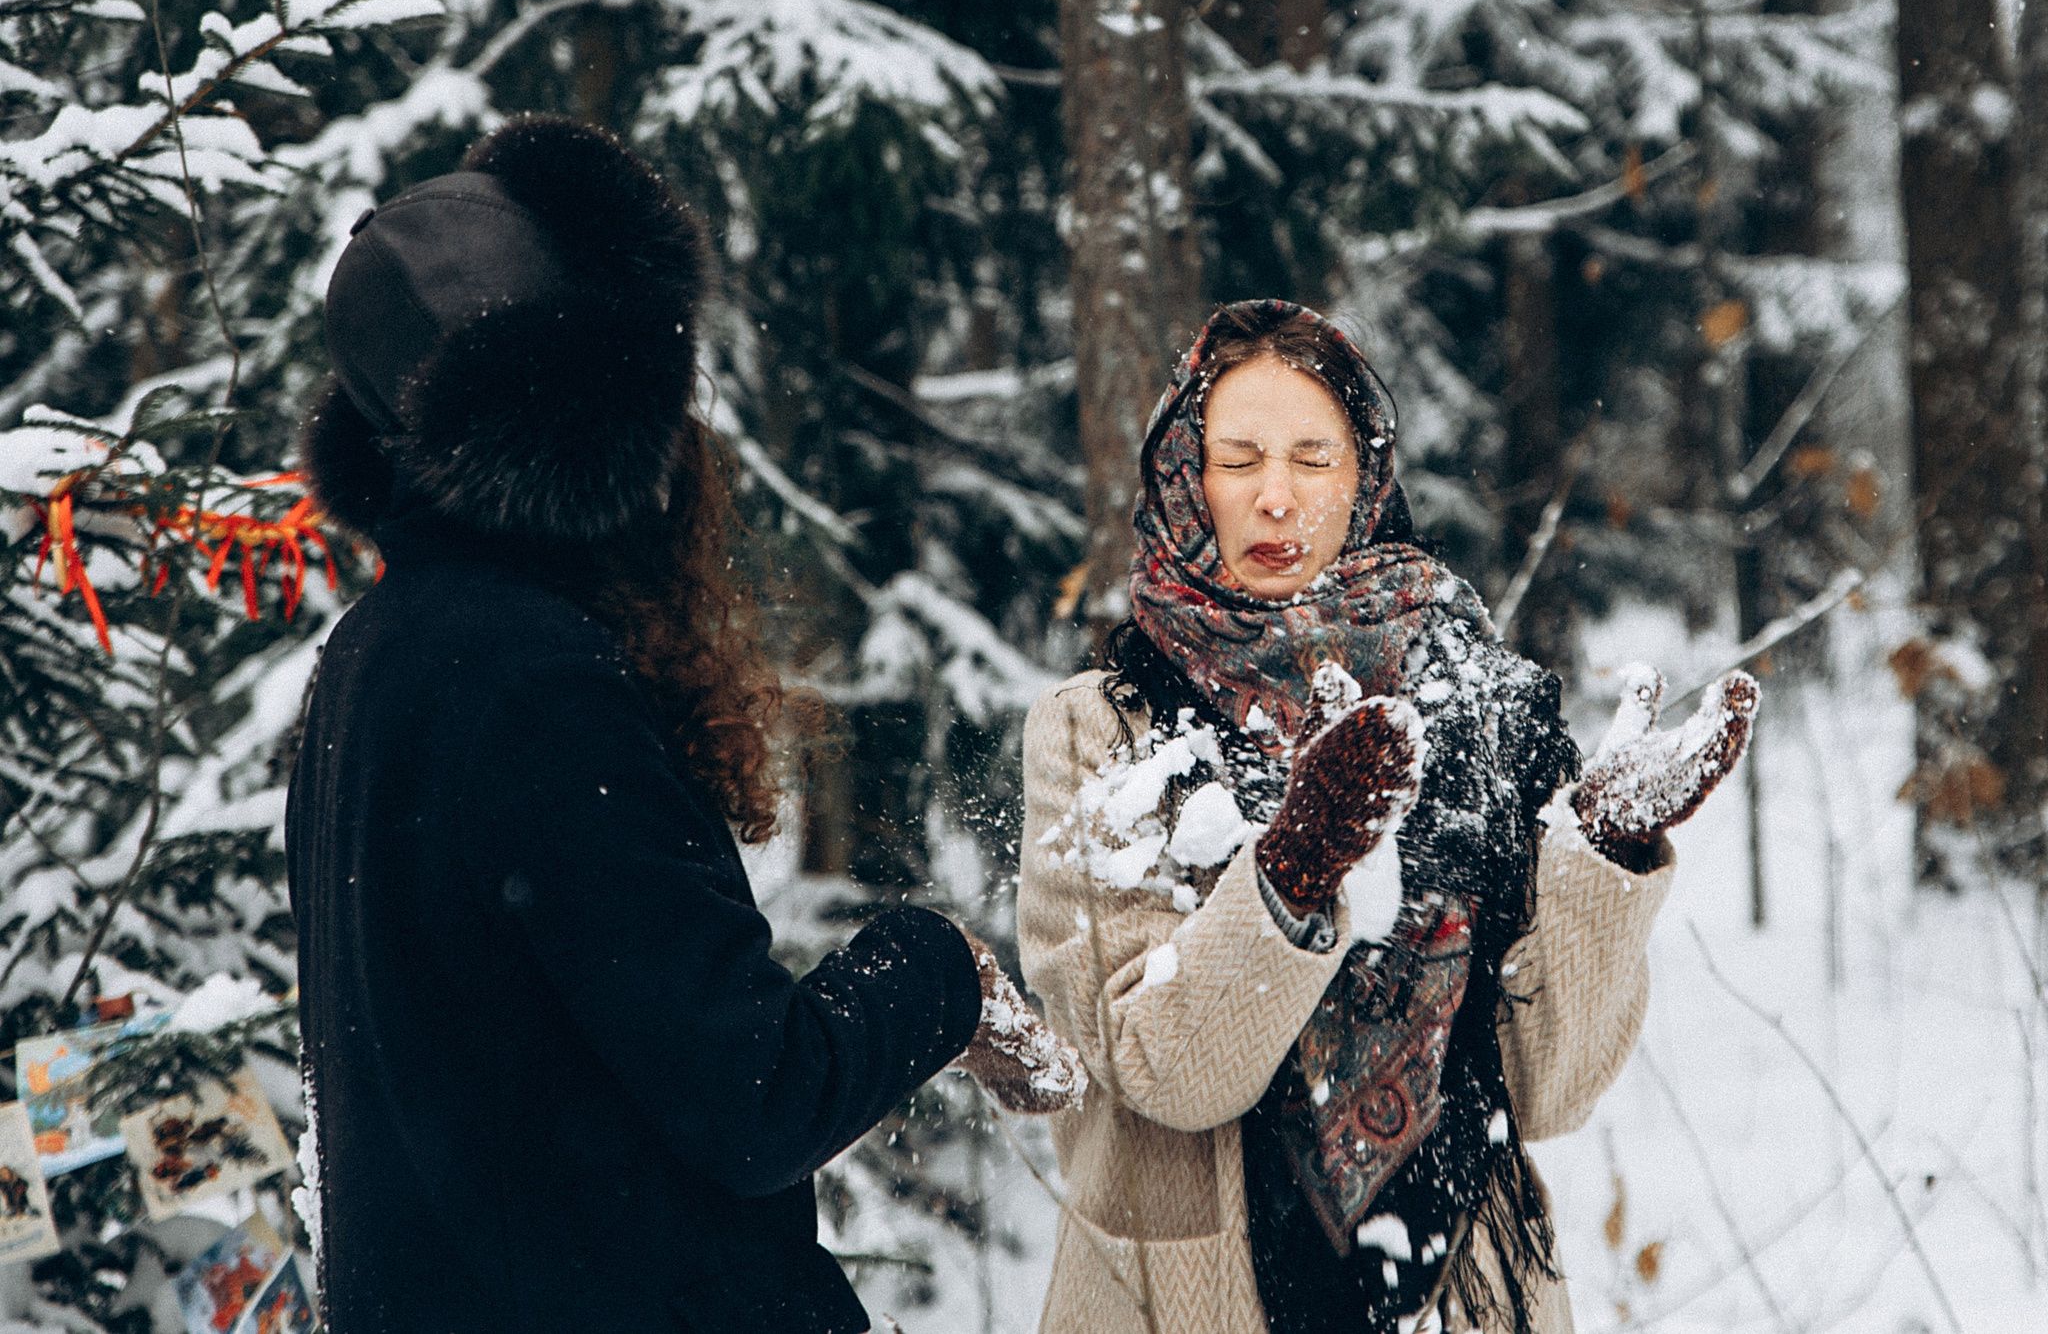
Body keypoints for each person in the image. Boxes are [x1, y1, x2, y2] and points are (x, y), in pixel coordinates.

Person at [288, 117, 1079, 1334]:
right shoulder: (529, 680)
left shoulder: (371, 660)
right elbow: (752, 1096)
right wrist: (941, 973)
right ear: (593, 427)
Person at [1015, 300, 1759, 1334]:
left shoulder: (1479, 703)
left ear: (1365, 479)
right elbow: (1162, 1072)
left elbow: (1549, 1089)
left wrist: (1605, 854)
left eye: (1312, 459)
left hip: (1464, 1298)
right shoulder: (1100, 731)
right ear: (1187, 480)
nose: (1275, 498)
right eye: (1239, 461)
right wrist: (1295, 870)